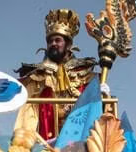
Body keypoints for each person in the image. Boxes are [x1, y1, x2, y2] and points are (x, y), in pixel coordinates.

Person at [14, 9, 98, 142]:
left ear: (68, 44)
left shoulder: (86, 74)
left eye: (58, 40)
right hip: (46, 142)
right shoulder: (36, 76)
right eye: (50, 41)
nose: (53, 44)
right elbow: (28, 112)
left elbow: (95, 109)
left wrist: (101, 93)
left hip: (78, 141)